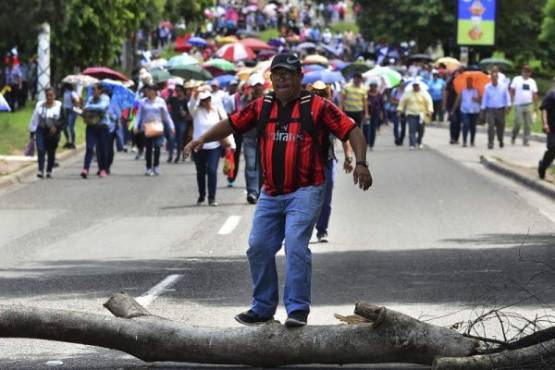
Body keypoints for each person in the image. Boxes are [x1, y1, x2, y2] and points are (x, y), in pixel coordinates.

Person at [185, 53, 372, 328]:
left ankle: (297, 310)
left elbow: (351, 130)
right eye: (277, 73)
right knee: (258, 247)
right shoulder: (262, 106)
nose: (282, 78)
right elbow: (233, 123)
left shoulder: (317, 106)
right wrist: (202, 138)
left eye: (288, 73)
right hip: (271, 192)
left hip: (307, 190)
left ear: (300, 77)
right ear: (270, 78)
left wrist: (362, 162)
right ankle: (262, 308)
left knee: (295, 246)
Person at [310, 81, 354, 242]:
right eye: (316, 93)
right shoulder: (302, 112)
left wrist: (349, 157)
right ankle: (304, 229)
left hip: (327, 162)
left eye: (322, 93)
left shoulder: (332, 113)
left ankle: (322, 230)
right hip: (306, 164)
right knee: (306, 198)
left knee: (326, 199)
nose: (319, 96)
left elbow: (345, 135)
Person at [188, 89, 228, 206]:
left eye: (208, 99)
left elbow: (225, 123)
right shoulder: (196, 111)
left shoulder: (216, 110)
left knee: (212, 170)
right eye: (204, 100)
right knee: (200, 172)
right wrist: (194, 96)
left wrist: (231, 143)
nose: (207, 102)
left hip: (214, 146)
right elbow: (191, 106)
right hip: (199, 146)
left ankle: (212, 197)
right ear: (201, 102)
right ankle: (201, 195)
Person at [135, 84, 174, 176]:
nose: (147, 92)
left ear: (154, 91)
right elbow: (139, 115)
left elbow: (166, 115)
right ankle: (148, 167)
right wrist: (136, 126)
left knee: (157, 147)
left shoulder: (161, 101)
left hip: (158, 126)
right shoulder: (143, 102)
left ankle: (156, 166)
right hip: (147, 127)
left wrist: (171, 126)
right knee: (148, 148)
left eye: (149, 90)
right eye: (146, 91)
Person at [28, 87, 63, 178]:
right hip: (41, 129)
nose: (49, 97)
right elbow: (35, 119)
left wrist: (56, 127)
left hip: (53, 132)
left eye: (51, 95)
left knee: (51, 151)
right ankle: (40, 169)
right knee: (40, 149)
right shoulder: (40, 105)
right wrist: (32, 130)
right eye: (47, 95)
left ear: (55, 96)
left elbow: (62, 119)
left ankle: (49, 170)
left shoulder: (59, 106)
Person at [81, 84, 110, 178]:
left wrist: (90, 107)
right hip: (91, 126)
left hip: (102, 126)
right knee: (89, 147)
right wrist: (88, 107)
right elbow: (85, 107)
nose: (93, 91)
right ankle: (85, 169)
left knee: (101, 149)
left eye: (95, 89)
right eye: (92, 89)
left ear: (100, 90)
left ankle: (102, 169)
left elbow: (102, 107)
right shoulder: (90, 99)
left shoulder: (105, 98)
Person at [397, 82, 433, 150]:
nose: (416, 87)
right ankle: (412, 144)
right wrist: (399, 110)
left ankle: (419, 141)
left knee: (421, 130)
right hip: (411, 113)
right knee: (412, 129)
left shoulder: (424, 93)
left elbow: (429, 102)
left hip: (422, 114)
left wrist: (430, 110)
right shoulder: (407, 93)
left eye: (417, 86)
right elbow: (402, 102)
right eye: (414, 86)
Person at [481, 70, 511, 149]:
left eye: (495, 77)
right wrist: (482, 109)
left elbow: (507, 97)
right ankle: (490, 142)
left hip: (500, 110)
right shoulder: (487, 87)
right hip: (490, 110)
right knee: (491, 126)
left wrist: (508, 106)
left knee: (500, 127)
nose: (494, 79)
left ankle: (500, 139)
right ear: (491, 78)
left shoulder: (503, 86)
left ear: (497, 78)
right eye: (492, 77)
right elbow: (485, 99)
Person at [510, 65, 538, 146]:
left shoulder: (532, 81)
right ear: (522, 71)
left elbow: (535, 94)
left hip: (529, 104)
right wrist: (510, 101)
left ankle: (526, 140)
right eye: (525, 71)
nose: (526, 73)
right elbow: (512, 90)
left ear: (530, 73)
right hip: (518, 104)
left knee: (528, 124)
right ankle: (513, 136)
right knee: (518, 122)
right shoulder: (517, 79)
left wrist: (536, 106)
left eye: (528, 72)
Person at [166, 82, 191, 163]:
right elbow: (167, 101)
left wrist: (185, 113)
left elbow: (190, 110)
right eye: (176, 90)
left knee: (180, 138)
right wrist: (171, 93)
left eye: (179, 90)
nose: (178, 92)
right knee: (171, 138)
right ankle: (170, 155)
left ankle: (178, 156)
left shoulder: (186, 100)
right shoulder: (173, 98)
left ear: (182, 90)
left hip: (182, 121)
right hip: (173, 120)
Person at [453, 77, 481, 147]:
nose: (468, 83)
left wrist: (476, 99)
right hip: (465, 111)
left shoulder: (476, 91)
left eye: (470, 81)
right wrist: (453, 109)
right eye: (467, 81)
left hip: (474, 111)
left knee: (473, 126)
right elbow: (458, 100)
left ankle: (472, 141)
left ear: (472, 82)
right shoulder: (463, 91)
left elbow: (481, 101)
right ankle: (464, 141)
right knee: (466, 125)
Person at [538, 79, 555, 180]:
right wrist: (545, 123)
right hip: (552, 128)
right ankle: (543, 166)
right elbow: (544, 109)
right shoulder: (551, 94)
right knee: (553, 148)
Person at [366, 80, 385, 150]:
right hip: (367, 112)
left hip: (376, 113)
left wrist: (383, 114)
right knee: (366, 128)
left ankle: (371, 144)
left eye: (374, 86)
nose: (373, 87)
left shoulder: (379, 94)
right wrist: (367, 103)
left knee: (373, 129)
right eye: (372, 86)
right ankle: (366, 142)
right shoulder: (366, 94)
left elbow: (382, 105)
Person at [61, 83, 80, 149]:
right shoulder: (65, 93)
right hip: (66, 111)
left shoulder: (72, 93)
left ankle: (73, 142)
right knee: (64, 127)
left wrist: (75, 105)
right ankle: (68, 141)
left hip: (72, 111)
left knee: (71, 127)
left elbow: (77, 101)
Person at [388, 81, 406, 145]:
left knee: (403, 126)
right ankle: (397, 139)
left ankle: (401, 139)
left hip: (404, 111)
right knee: (396, 125)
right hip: (395, 110)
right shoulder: (395, 91)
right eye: (401, 84)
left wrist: (399, 102)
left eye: (403, 84)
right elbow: (392, 101)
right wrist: (400, 103)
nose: (402, 85)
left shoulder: (406, 91)